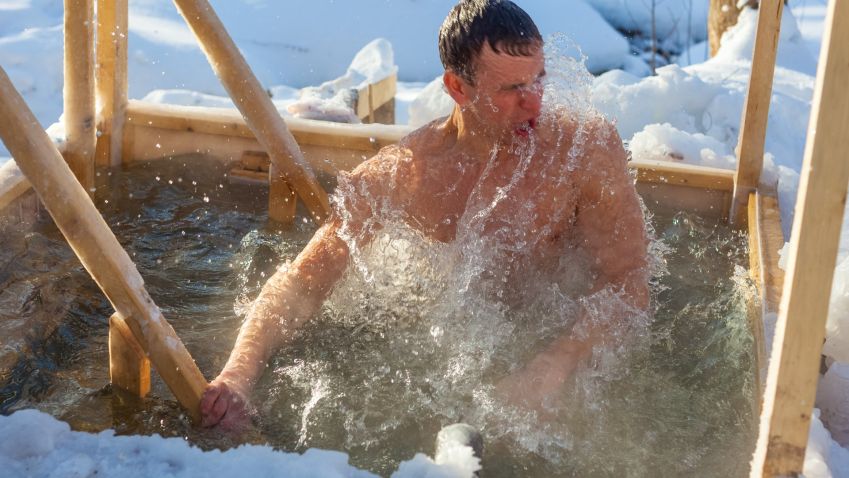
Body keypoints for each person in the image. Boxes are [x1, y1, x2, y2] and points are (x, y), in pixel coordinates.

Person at [200, 0, 649, 429]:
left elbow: (628, 281)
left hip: (555, 334)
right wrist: (238, 375)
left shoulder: (581, 151)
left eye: (538, 80)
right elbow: (302, 281)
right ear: (458, 87)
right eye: (512, 89)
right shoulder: (407, 173)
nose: (534, 102)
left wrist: (556, 363)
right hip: (451, 353)